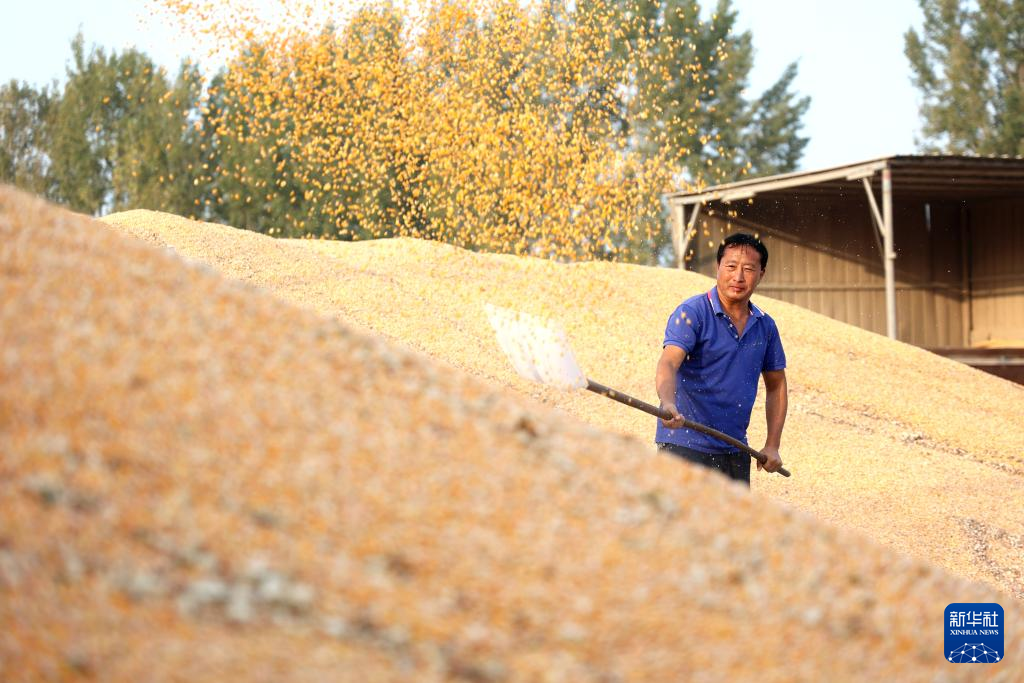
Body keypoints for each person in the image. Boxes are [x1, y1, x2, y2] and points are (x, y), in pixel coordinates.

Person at [655, 232, 788, 485]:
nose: (738, 277)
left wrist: (773, 444)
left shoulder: (765, 326)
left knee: (732, 525)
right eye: (730, 266)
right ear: (717, 268)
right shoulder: (692, 313)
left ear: (761, 274)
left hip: (735, 450)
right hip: (684, 445)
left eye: (748, 269)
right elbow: (669, 362)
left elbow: (777, 384)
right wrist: (667, 403)